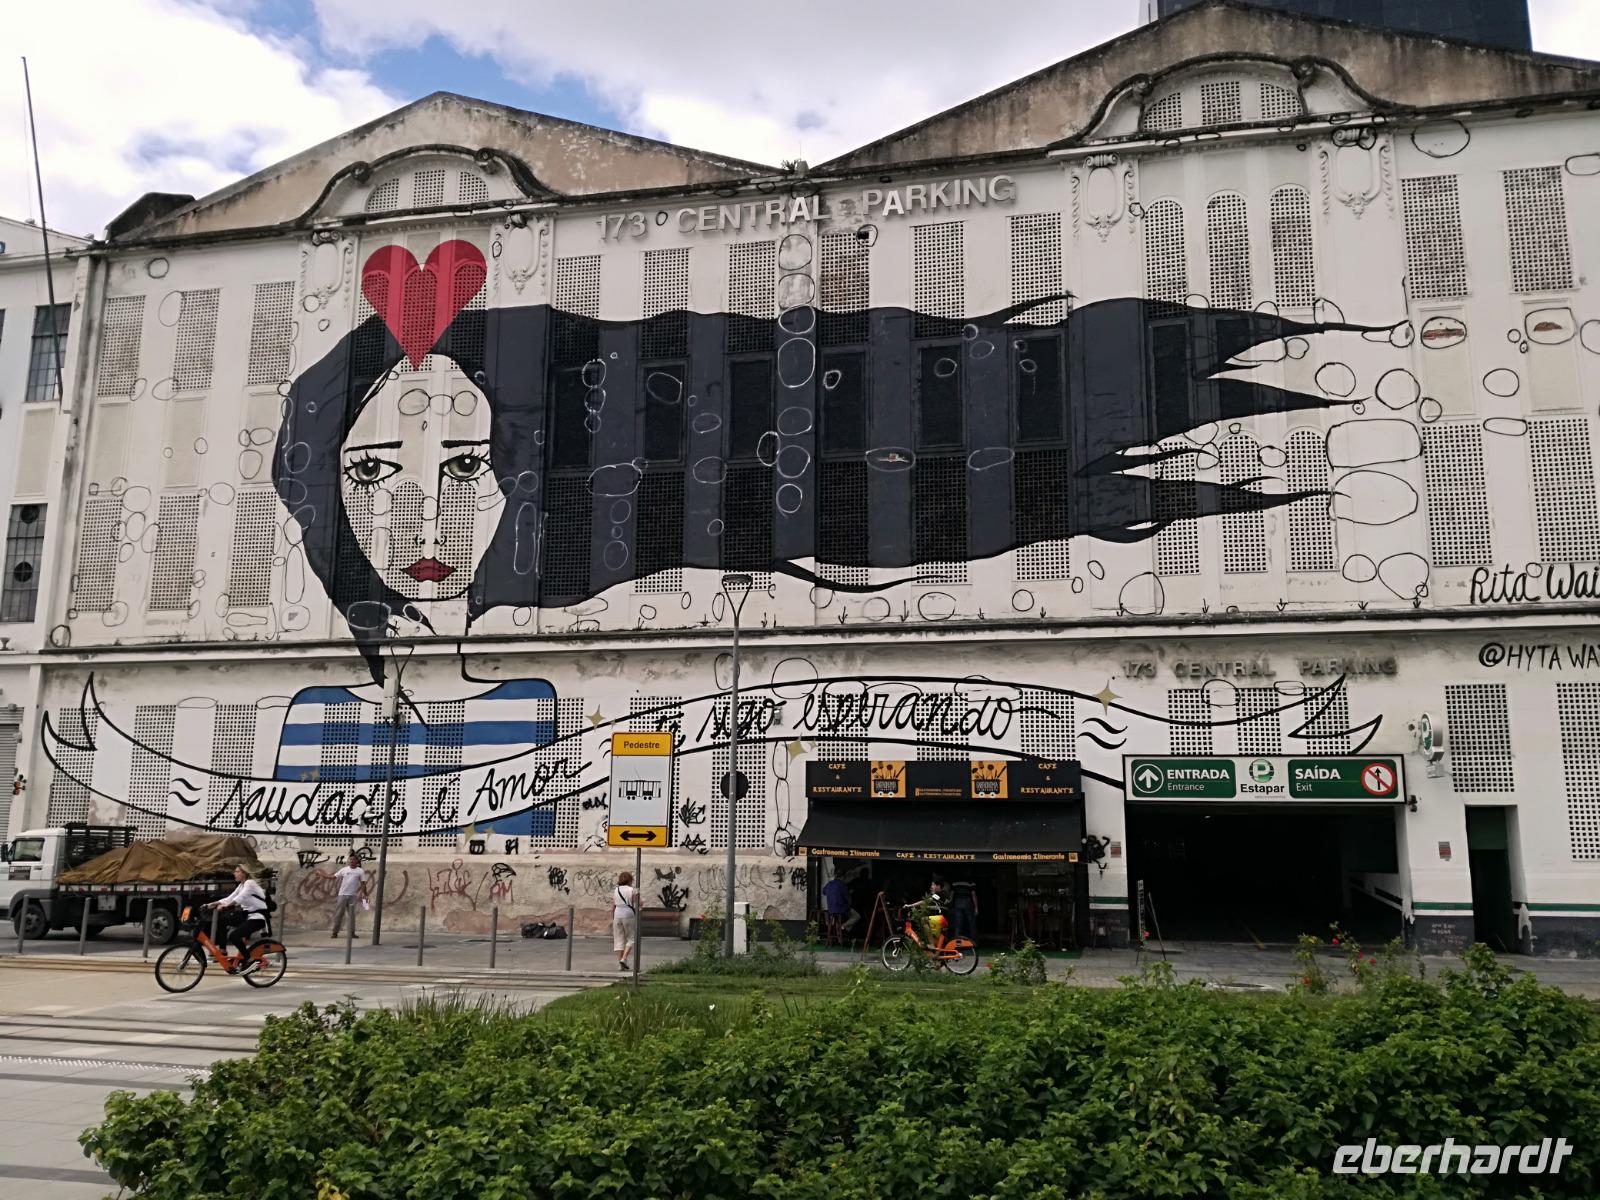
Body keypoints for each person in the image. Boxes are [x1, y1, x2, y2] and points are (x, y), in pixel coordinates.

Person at [204, 865, 270, 974]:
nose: (234, 873)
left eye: (237, 871)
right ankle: (223, 950)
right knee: (222, 920)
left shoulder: (250, 883)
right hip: (247, 916)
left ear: (244, 873)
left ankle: (250, 960)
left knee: (234, 936)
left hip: (257, 918)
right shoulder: (241, 885)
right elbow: (229, 898)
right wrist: (209, 904)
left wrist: (226, 906)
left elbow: (240, 898)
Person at [330, 853, 369, 939]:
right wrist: (323, 875)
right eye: (350, 859)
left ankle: (352, 933)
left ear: (357, 861)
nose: (351, 861)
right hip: (342, 895)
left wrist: (365, 894)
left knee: (352, 916)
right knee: (339, 914)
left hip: (353, 896)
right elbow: (333, 877)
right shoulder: (344, 870)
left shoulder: (360, 871)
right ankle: (335, 932)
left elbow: (363, 883)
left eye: (353, 859)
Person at [613, 871, 640, 970]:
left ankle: (620, 964)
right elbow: (639, 903)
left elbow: (613, 904)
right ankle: (624, 958)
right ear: (630, 880)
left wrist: (613, 916)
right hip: (628, 914)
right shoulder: (633, 890)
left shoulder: (616, 889)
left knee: (618, 939)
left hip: (617, 914)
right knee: (631, 938)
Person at [821, 869, 851, 945]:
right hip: (841, 909)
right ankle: (843, 927)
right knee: (856, 916)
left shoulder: (829, 884)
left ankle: (839, 936)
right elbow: (848, 898)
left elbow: (823, 892)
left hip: (831, 910)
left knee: (838, 920)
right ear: (843, 877)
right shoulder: (842, 885)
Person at [949, 877, 979, 942]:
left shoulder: (955, 881)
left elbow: (952, 894)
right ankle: (974, 941)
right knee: (971, 922)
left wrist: (950, 904)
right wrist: (976, 907)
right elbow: (973, 894)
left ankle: (956, 942)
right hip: (967, 901)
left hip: (958, 901)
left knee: (958, 923)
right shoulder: (970, 881)